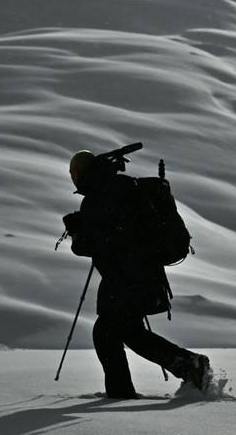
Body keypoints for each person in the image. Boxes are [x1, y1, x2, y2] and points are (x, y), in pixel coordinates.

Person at [64, 149, 210, 398]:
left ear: (80, 172)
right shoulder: (118, 187)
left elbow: (96, 243)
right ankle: (179, 368)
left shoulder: (99, 196)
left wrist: (77, 233)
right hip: (139, 274)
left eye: (73, 173)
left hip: (127, 278)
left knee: (112, 332)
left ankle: (186, 365)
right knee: (117, 332)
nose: (72, 178)